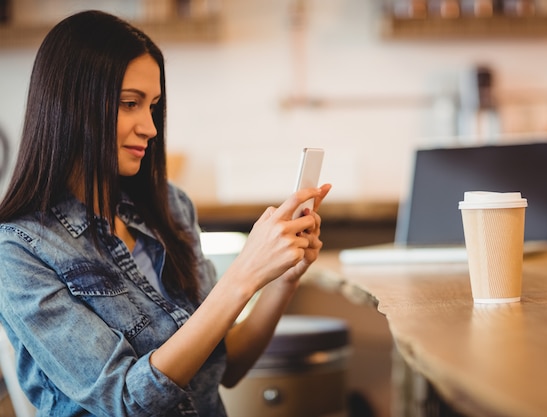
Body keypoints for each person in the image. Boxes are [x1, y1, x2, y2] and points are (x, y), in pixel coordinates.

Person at [0, 10, 331, 417]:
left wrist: (282, 280)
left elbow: (226, 368)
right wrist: (242, 275)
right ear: (71, 104)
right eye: (129, 104)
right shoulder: (19, 251)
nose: (150, 127)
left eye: (153, 106)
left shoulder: (170, 207)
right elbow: (126, 401)